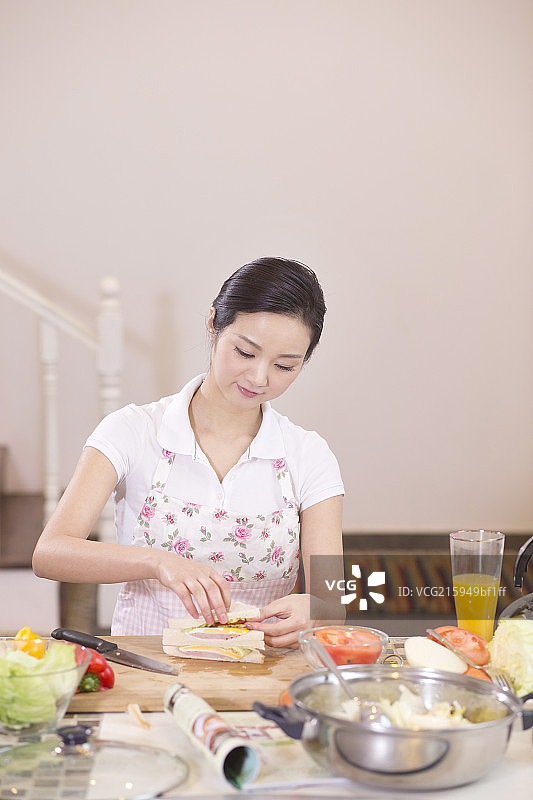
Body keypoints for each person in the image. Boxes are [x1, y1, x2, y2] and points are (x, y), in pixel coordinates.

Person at [32, 257, 344, 647]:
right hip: (146, 667)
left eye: (284, 366)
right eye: (245, 352)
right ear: (214, 324)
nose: (259, 377)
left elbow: (333, 600)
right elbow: (50, 552)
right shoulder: (133, 430)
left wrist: (316, 609)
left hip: (263, 670)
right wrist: (157, 561)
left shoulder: (308, 454)